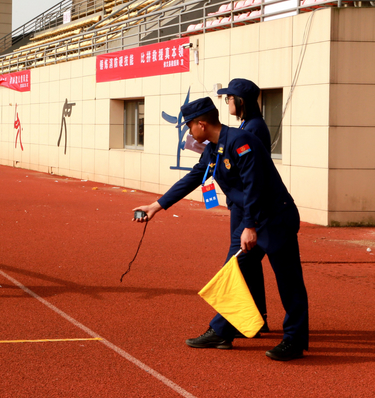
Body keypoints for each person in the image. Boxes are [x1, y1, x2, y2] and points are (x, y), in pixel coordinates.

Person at [132, 97, 309, 361]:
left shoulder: (241, 142)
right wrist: (156, 206)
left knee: (288, 280)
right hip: (251, 220)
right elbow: (194, 177)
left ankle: (294, 340)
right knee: (233, 273)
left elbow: (254, 186)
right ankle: (222, 331)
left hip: (273, 219)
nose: (189, 132)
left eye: (190, 126)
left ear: (201, 124)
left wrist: (249, 226)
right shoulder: (213, 149)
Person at [218, 78, 271, 334]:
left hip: (246, 205)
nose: (226, 101)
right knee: (248, 262)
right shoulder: (248, 125)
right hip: (241, 203)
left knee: (240, 262)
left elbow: (249, 175)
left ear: (240, 100)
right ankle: (257, 317)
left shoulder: (252, 129)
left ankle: (229, 325)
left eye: (228, 97)